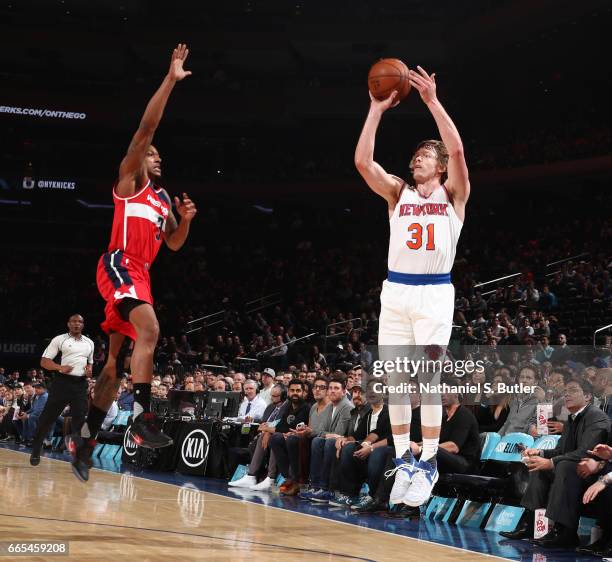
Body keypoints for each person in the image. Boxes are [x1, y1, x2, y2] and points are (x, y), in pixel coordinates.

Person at [71, 44, 197, 482]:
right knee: (152, 329)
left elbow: (175, 245)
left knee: (113, 366)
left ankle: (84, 439)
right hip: (119, 265)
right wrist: (171, 79)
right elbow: (147, 126)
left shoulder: (163, 199)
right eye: (152, 153)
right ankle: (143, 419)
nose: (157, 157)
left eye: (159, 155)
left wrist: (184, 222)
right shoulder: (130, 183)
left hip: (141, 274)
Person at [355, 65, 469, 506]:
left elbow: (457, 149)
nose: (416, 158)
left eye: (425, 155)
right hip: (396, 291)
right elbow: (363, 162)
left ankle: (431, 462)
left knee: (428, 376)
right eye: (416, 154)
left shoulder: (454, 194)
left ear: (440, 167)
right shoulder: (397, 192)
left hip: (435, 293)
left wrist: (432, 102)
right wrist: (374, 109)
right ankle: (404, 458)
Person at [29, 314, 94, 466]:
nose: (77, 324)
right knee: (47, 418)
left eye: (80, 322)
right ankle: (36, 449)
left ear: (83, 325)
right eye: (74, 321)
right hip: (62, 383)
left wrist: (90, 371)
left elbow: (89, 363)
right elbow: (44, 362)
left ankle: (79, 457)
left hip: (80, 384)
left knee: (80, 421)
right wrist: (60, 367)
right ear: (68, 324)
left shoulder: (89, 343)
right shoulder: (60, 339)